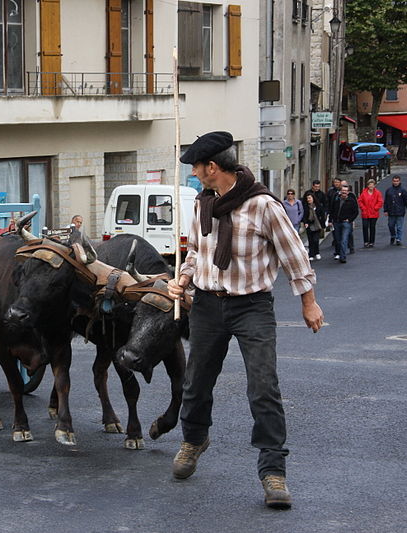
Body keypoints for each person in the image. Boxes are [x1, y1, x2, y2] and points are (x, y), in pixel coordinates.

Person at [166, 132, 323, 510]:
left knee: (263, 387)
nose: (194, 175)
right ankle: (194, 439)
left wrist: (309, 302)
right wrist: (183, 278)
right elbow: (197, 252)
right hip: (206, 304)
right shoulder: (203, 203)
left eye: (197, 168)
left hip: (251, 305)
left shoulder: (263, 205)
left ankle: (273, 471)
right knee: (196, 381)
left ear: (213, 168)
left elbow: (294, 254)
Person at [331, 184, 359, 263]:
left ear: (348, 192)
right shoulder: (336, 199)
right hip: (336, 222)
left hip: (346, 223)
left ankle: (343, 257)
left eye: (346, 191)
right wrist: (331, 220)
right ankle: (340, 253)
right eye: (343, 191)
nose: (344, 193)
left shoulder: (351, 201)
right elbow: (332, 209)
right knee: (337, 240)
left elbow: (356, 212)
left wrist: (350, 220)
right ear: (340, 191)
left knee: (344, 239)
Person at [384, 175, 407, 246]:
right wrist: (385, 210)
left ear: (399, 181)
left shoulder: (403, 190)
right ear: (392, 181)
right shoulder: (388, 190)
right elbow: (386, 201)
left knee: (399, 227)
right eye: (394, 181)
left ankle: (398, 239)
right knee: (390, 225)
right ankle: (393, 236)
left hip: (400, 212)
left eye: (397, 181)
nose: (396, 182)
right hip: (391, 212)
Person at [357, 179, 383, 248]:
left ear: (374, 185)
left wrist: (376, 208)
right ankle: (366, 241)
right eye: (370, 185)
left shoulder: (377, 193)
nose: (371, 186)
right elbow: (360, 201)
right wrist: (363, 208)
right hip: (365, 213)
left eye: (372, 185)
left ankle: (372, 242)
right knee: (365, 227)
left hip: (374, 213)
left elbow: (380, 201)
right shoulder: (364, 192)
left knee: (372, 227)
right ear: (368, 185)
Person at [302, 192, 325, 261]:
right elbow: (304, 216)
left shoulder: (318, 206)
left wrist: (322, 224)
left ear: (313, 198)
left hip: (317, 225)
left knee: (316, 240)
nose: (308, 200)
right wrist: (305, 222)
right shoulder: (305, 207)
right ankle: (311, 254)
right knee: (310, 240)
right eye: (307, 198)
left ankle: (317, 252)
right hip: (309, 225)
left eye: (309, 198)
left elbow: (322, 215)